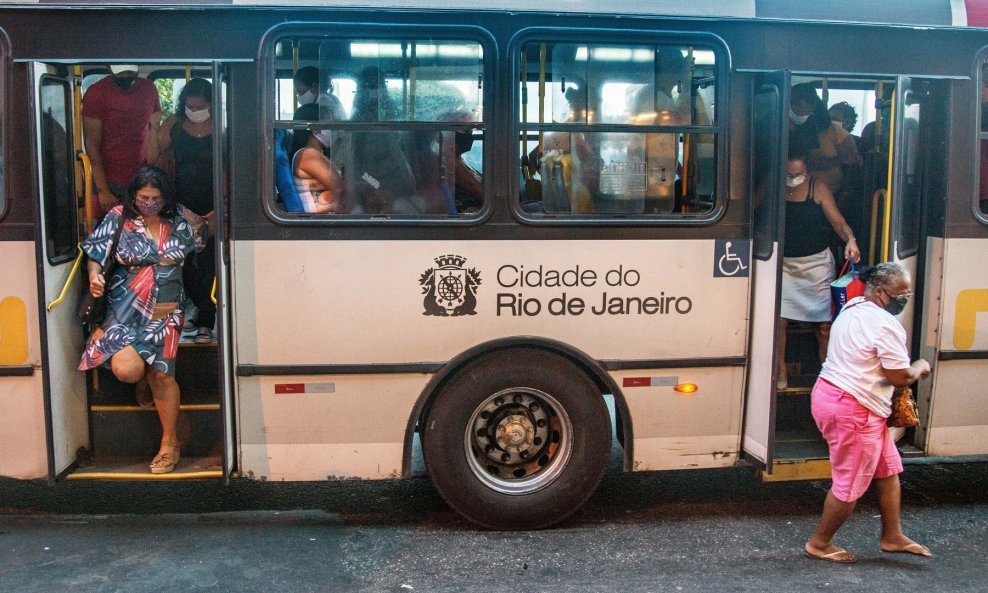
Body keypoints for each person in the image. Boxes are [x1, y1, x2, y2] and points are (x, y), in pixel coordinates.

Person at [78, 166, 208, 474]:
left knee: (163, 377)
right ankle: (147, 382)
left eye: (155, 198)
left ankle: (170, 442)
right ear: (134, 196)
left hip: (166, 312)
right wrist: (95, 275)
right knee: (127, 370)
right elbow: (96, 252)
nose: (149, 203)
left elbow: (206, 232)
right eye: (143, 197)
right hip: (126, 308)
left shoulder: (179, 218)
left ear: (165, 198)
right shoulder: (119, 218)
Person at [804, 261, 932, 563]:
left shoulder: (853, 307)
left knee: (888, 470)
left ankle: (892, 536)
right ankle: (819, 543)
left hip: (834, 397)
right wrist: (920, 367)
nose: (903, 299)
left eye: (908, 294)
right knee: (849, 485)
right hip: (854, 410)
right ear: (878, 290)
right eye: (899, 294)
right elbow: (900, 376)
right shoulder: (885, 325)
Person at [777, 151, 860, 389]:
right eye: (789, 174)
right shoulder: (773, 185)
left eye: (798, 174)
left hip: (817, 265)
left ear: (808, 171)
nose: (793, 178)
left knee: (824, 326)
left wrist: (851, 239)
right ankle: (780, 369)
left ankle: (827, 376)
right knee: (779, 321)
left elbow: (839, 222)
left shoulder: (818, 187)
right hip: (783, 264)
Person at [158, 78, 217, 344]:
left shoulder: (222, 125)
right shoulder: (174, 124)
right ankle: (201, 309)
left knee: (207, 264)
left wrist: (220, 209)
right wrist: (153, 127)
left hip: (213, 206)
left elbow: (230, 168)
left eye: (200, 106)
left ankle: (206, 319)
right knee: (184, 265)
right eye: (190, 106)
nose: (195, 110)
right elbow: (153, 155)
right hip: (181, 204)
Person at [83, 65, 163, 218]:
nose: (126, 76)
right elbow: (92, 144)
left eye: (130, 72)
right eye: (121, 73)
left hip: (141, 175)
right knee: (105, 233)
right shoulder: (97, 93)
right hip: (108, 178)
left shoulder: (149, 89)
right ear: (109, 67)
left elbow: (153, 131)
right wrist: (103, 190)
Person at [789, 83, 861, 193]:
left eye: (806, 113)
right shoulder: (778, 124)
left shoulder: (823, 128)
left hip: (826, 189)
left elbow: (855, 159)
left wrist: (832, 161)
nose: (802, 116)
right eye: (798, 111)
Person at [292, 128, 345, 213]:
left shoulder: (318, 154)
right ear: (316, 129)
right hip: (313, 219)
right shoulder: (308, 154)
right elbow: (338, 186)